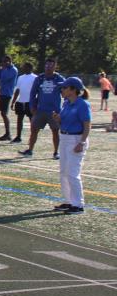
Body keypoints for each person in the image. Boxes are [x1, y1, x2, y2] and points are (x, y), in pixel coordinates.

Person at [52, 77, 92, 214]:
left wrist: (82, 142)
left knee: (72, 173)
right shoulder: (66, 103)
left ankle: (78, 205)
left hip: (76, 139)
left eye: (64, 87)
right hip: (64, 138)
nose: (62, 90)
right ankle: (69, 201)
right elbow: (63, 123)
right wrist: (58, 119)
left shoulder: (82, 104)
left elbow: (87, 125)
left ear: (73, 89)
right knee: (64, 172)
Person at [20, 58, 65, 159]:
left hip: (54, 111)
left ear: (55, 67)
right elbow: (33, 93)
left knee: (55, 131)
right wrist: (32, 106)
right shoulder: (39, 78)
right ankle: (30, 150)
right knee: (34, 130)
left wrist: (63, 108)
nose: (48, 67)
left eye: (51, 65)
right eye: (47, 65)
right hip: (40, 110)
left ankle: (56, 152)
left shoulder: (59, 79)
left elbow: (66, 92)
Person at [9, 62, 37, 144]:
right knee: (19, 120)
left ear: (30, 68)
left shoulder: (35, 77)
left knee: (32, 121)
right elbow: (17, 90)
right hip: (20, 101)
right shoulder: (20, 77)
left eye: (25, 67)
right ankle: (18, 137)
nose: (23, 68)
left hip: (30, 102)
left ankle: (32, 137)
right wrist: (13, 101)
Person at [0, 55, 19, 140]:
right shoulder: (4, 69)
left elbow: (4, 79)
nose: (3, 63)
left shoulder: (13, 70)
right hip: (2, 92)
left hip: (7, 93)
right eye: (3, 61)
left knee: (4, 113)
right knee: (2, 113)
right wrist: (1, 69)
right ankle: (7, 133)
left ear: (9, 61)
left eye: (5, 61)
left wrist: (3, 69)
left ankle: (8, 134)